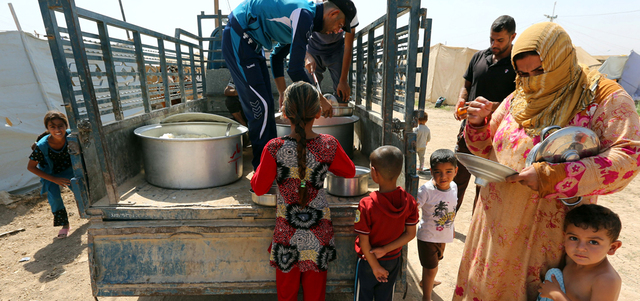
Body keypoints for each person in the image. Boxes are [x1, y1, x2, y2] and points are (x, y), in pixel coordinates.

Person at [455, 22, 640, 300]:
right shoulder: (520, 95)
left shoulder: (603, 98)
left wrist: (553, 176)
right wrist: (478, 122)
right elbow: (484, 148)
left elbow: (627, 159)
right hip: (494, 221)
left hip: (544, 232)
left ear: (562, 58)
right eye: (524, 73)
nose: (533, 80)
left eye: (540, 70)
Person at [222, 0, 357, 170]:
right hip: (239, 36)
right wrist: (320, 99)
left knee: (267, 104)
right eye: (340, 25)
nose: (337, 31)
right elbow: (294, 69)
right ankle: (263, 171)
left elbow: (276, 57)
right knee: (260, 108)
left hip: (254, 45)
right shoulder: (304, 14)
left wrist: (282, 92)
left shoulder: (304, 23)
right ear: (333, 13)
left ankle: (270, 167)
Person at [251, 81, 355, 301]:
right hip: (319, 235)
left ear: (284, 113)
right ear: (318, 113)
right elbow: (350, 171)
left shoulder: (274, 148)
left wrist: (258, 172)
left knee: (286, 296)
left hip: (287, 236)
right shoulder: (329, 144)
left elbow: (259, 188)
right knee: (315, 297)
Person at [452, 15, 517, 213]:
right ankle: (446, 223)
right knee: (456, 180)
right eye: (491, 39)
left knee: (484, 188)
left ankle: (476, 230)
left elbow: (518, 101)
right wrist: (461, 100)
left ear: (513, 37)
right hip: (467, 132)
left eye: (500, 40)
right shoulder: (479, 57)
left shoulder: (517, 64)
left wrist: (491, 108)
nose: (494, 44)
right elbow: (467, 84)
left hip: (494, 139)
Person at [353, 145, 419, 301]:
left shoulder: (366, 204)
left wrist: (375, 266)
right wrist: (385, 249)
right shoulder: (409, 201)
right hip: (392, 260)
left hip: (368, 261)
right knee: (385, 296)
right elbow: (411, 234)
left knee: (364, 296)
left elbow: (364, 240)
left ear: (374, 173)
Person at [538, 204, 622, 301]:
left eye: (593, 242)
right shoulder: (571, 260)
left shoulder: (606, 280)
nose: (580, 248)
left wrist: (556, 295)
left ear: (612, 247)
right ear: (564, 238)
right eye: (574, 238)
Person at [416, 149, 458, 301]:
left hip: (443, 236)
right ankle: (426, 297)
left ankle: (427, 281)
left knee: (435, 263)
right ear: (431, 172)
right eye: (438, 172)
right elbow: (415, 207)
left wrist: (451, 228)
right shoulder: (426, 190)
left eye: (448, 171)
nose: (443, 176)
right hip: (428, 237)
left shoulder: (454, 187)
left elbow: (452, 209)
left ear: (456, 171)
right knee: (431, 267)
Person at [26, 111, 74, 239]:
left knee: (81, 188)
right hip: (50, 172)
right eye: (52, 127)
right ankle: (64, 224)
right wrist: (54, 179)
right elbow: (31, 167)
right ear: (47, 129)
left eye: (60, 126)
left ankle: (90, 214)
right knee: (54, 197)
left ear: (66, 126)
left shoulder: (72, 136)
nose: (57, 130)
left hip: (68, 169)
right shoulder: (42, 146)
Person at [304, 5, 358, 103]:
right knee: (309, 91)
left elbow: (348, 47)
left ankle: (341, 114)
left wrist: (343, 80)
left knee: (342, 93)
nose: (337, 31)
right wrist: (306, 56)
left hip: (336, 50)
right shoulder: (311, 8)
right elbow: (297, 37)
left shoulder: (350, 12)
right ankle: (312, 115)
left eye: (342, 27)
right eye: (340, 25)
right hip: (313, 49)